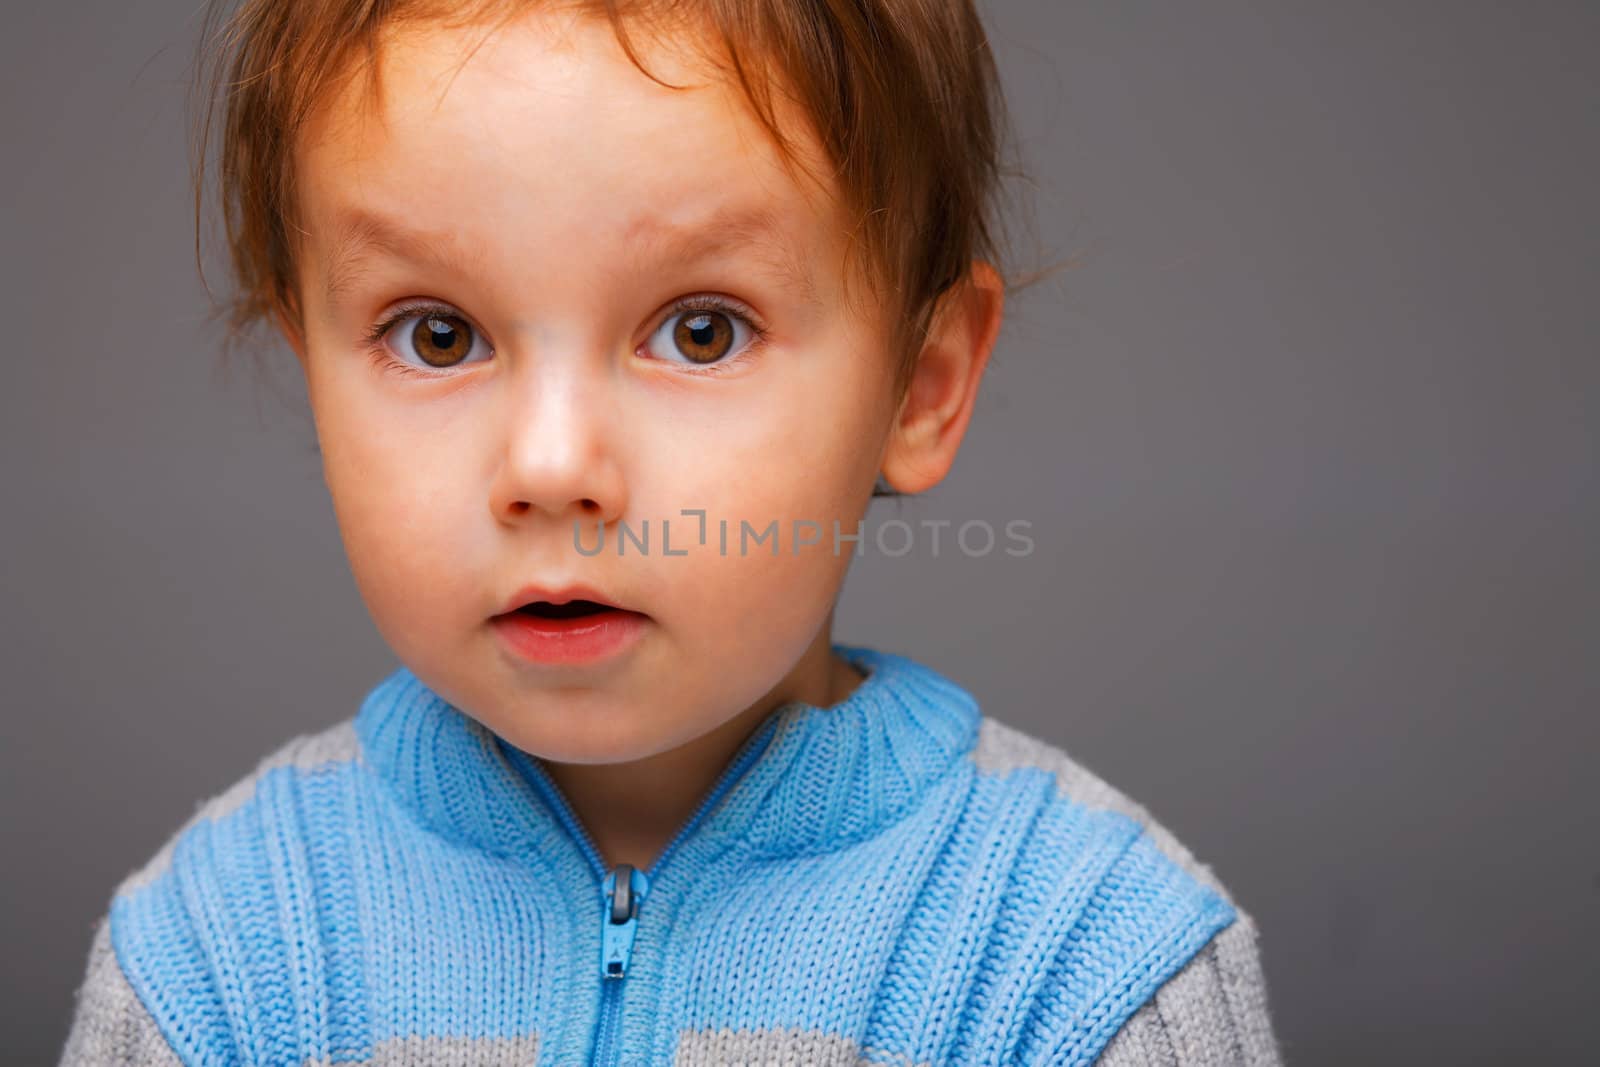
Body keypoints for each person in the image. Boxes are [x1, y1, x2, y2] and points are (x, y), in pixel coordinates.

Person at [59, 1, 1282, 1063]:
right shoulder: (222, 949)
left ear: (921, 383)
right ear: (313, 378)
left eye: (701, 329)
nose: (548, 468)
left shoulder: (1086, 958)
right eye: (437, 334)